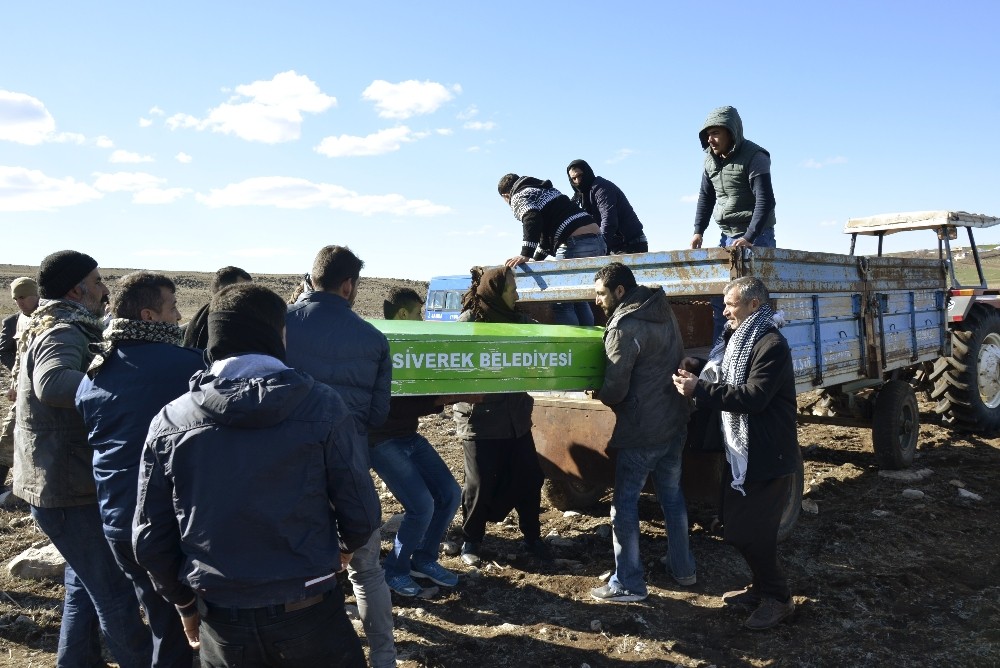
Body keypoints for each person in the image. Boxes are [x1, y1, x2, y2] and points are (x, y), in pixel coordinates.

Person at [132, 282, 378, 666]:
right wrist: (344, 549)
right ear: (278, 334)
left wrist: (184, 604)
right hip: (309, 607)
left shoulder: (171, 421)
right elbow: (360, 510)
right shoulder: (322, 406)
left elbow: (149, 538)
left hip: (223, 617)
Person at [14, 250, 152, 667]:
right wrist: (117, 387)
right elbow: (54, 383)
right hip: (67, 484)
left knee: (83, 584)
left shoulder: (50, 322)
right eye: (97, 281)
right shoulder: (64, 329)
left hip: (56, 477)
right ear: (77, 289)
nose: (104, 289)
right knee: (114, 594)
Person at [75, 272, 204, 667]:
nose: (180, 316)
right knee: (192, 632)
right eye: (172, 307)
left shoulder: (94, 374)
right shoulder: (188, 369)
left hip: (118, 521)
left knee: (164, 623)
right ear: (149, 315)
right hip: (171, 523)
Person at [285, 245, 396, 668]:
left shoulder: (280, 326)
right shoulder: (372, 338)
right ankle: (384, 658)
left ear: (312, 277)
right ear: (348, 285)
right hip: (350, 466)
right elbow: (379, 414)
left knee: (300, 576)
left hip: (289, 470)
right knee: (366, 571)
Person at [672, 276, 800, 631]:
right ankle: (761, 588)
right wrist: (698, 370)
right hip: (741, 451)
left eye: (731, 304)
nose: (724, 310)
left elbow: (754, 397)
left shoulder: (770, 344)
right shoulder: (737, 339)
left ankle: (779, 598)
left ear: (754, 305)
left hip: (766, 454)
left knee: (751, 534)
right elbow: (727, 376)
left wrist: (700, 390)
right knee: (734, 526)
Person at [589, 262, 695, 602]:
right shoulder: (661, 310)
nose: (597, 301)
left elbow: (617, 388)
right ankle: (683, 568)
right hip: (674, 421)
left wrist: (598, 391)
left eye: (601, 294)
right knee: (672, 496)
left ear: (619, 292)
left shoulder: (625, 325)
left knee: (624, 504)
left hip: (642, 429)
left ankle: (629, 583)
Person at [454, 266, 549, 566]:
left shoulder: (521, 322)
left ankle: (533, 538)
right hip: (480, 420)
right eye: (512, 289)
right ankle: (472, 540)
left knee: (530, 477)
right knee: (480, 483)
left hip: (516, 418)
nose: (518, 294)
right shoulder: (469, 323)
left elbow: (546, 343)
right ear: (496, 292)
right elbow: (451, 363)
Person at [371, 287, 463, 597]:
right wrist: (446, 399)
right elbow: (391, 403)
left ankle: (424, 559)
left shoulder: (412, 345)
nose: (422, 319)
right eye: (417, 314)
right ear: (401, 315)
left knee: (450, 493)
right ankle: (394, 570)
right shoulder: (381, 345)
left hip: (408, 435)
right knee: (421, 505)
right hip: (381, 440)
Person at [690, 106, 778, 341]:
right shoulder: (709, 160)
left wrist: (749, 236)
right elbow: (705, 197)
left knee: (752, 301)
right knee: (723, 301)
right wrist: (698, 231)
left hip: (757, 234)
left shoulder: (755, 156)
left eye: (716, 132)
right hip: (727, 235)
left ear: (732, 133)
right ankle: (723, 355)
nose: (711, 138)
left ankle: (756, 352)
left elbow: (765, 200)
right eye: (708, 133)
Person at [498, 173, 604, 326]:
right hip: (597, 241)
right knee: (578, 300)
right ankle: (588, 341)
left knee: (561, 302)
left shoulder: (518, 195)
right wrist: (537, 259)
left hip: (575, 241)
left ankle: (570, 344)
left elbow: (531, 218)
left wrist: (525, 254)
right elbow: (546, 237)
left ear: (506, 195)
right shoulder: (544, 190)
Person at [1, 277, 40, 486]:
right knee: (8, 434)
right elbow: (17, 357)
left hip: (44, 390)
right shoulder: (18, 320)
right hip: (24, 390)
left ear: (37, 294)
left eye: (23, 297)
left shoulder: (50, 318)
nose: (19, 302)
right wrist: (15, 383)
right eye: (16, 299)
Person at [566, 160, 648, 254]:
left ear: (587, 172)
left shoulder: (602, 188)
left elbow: (609, 220)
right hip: (612, 245)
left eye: (580, 175)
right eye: (574, 178)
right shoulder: (580, 197)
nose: (578, 181)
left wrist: (598, 246)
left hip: (631, 244)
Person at [181, 265, 252, 349]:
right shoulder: (185, 332)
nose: (249, 297)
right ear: (222, 292)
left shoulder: (253, 329)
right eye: (243, 292)